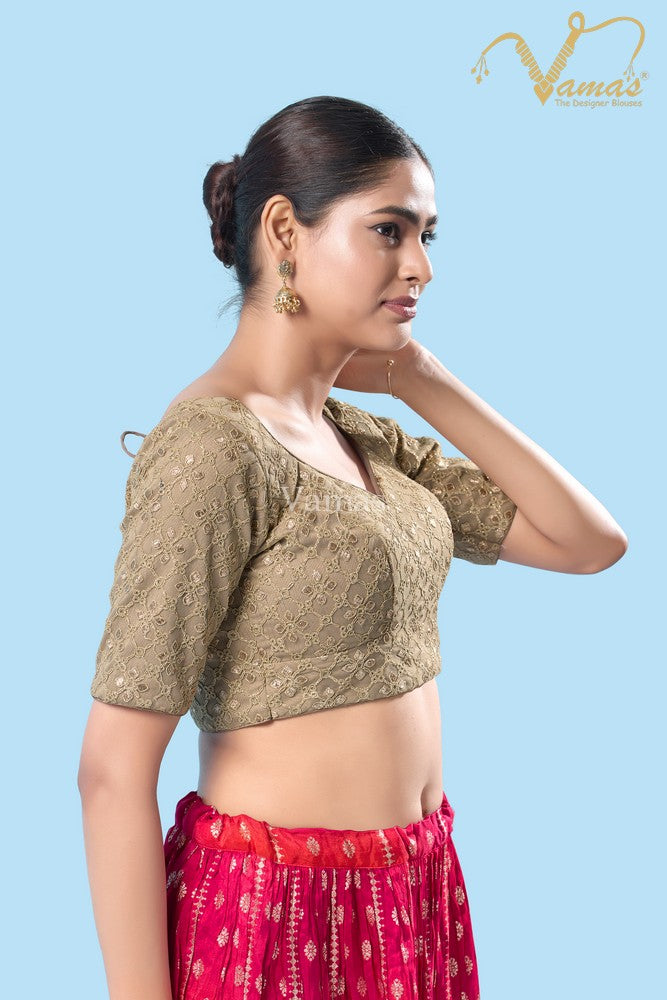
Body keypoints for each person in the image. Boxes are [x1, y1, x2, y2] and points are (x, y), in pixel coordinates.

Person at [77, 95, 628, 1000]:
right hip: (278, 912)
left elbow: (587, 543)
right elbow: (111, 770)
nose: (420, 266)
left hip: (415, 891)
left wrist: (420, 376)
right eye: (388, 230)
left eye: (427, 236)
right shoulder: (215, 448)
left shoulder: (359, 436)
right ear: (283, 231)